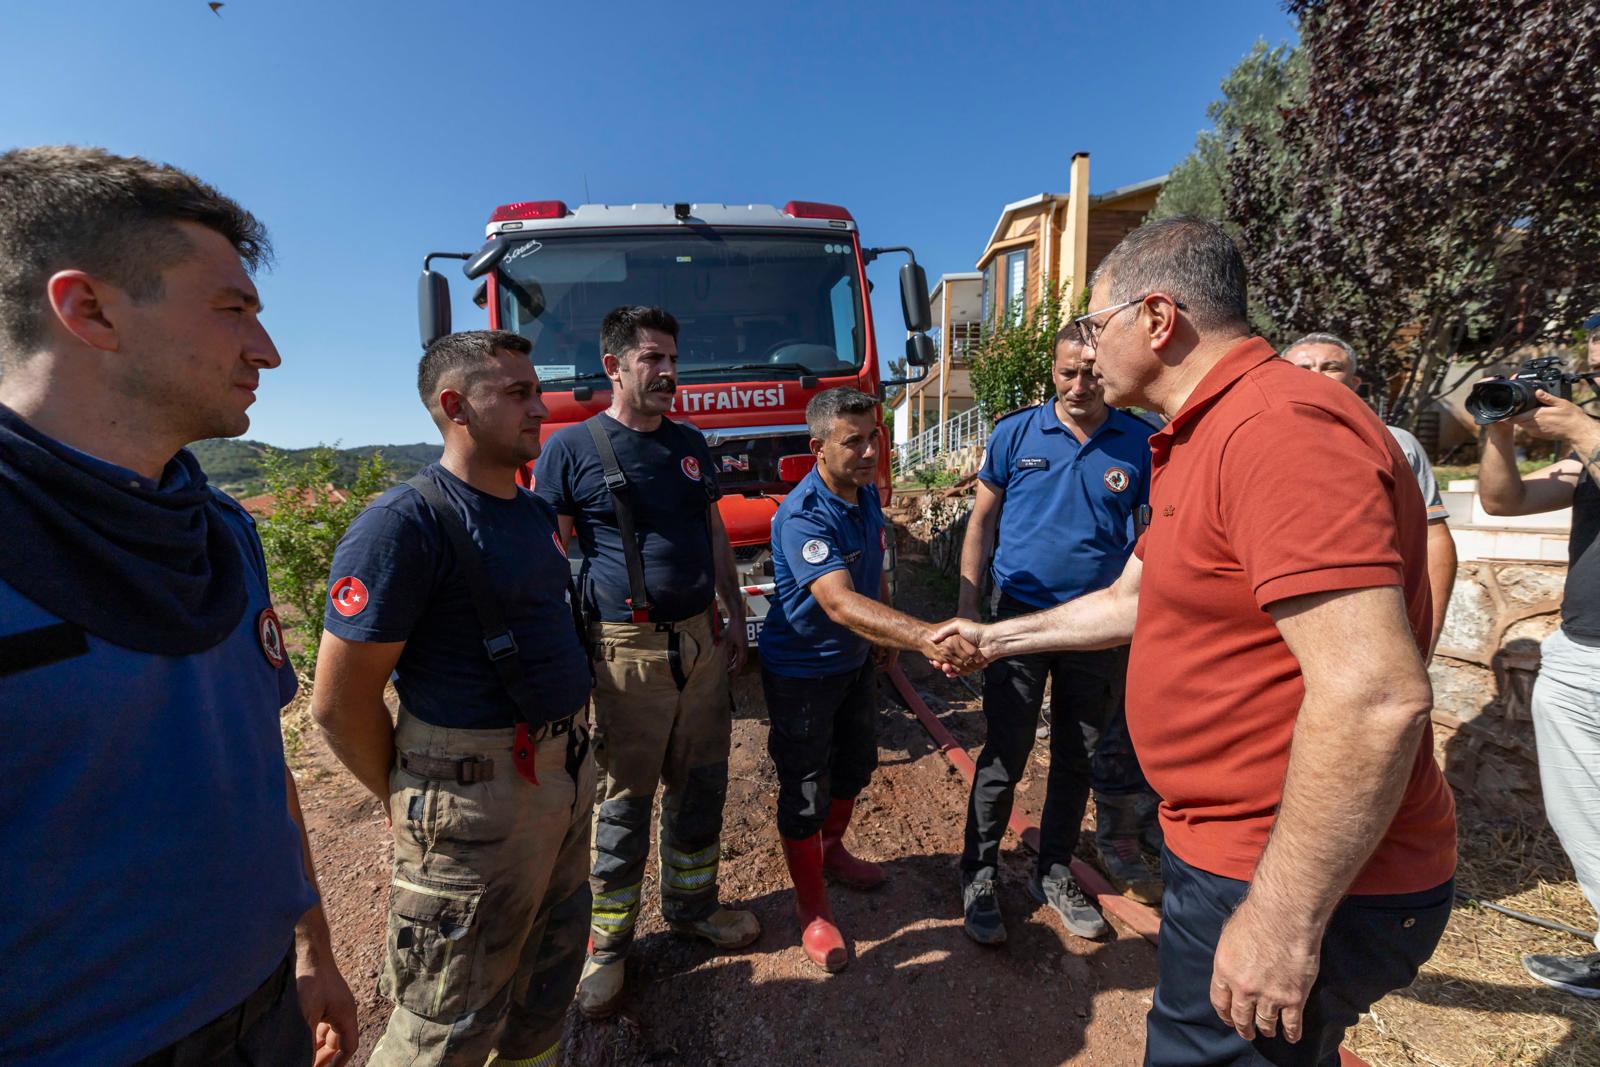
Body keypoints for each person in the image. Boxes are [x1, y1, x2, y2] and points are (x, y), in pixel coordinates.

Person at [935, 216, 1457, 1066]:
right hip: (1235, 855)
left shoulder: (1278, 430)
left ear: (1158, 318)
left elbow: (1376, 695)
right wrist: (995, 636)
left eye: (1098, 325)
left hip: (1286, 873)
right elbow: (1134, 597)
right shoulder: (1203, 435)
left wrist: (1283, 920)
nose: (1089, 350)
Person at [0, 146, 356, 1066]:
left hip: (266, 1012)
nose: (267, 350)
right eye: (234, 309)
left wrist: (312, 943)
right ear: (89, 309)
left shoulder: (221, 530)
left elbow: (255, 757)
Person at [312, 330, 593, 1065]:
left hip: (562, 776)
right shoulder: (402, 524)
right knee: (448, 1020)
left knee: (546, 978)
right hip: (471, 798)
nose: (541, 406)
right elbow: (338, 705)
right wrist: (413, 791)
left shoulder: (532, 515)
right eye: (518, 392)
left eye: (537, 389)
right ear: (454, 405)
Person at [534, 305, 759, 1019]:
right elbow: (547, 555)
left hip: (699, 643)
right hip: (624, 653)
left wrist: (734, 610)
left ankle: (693, 906)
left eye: (671, 359)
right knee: (623, 804)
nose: (668, 372)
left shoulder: (690, 444)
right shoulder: (570, 450)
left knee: (702, 787)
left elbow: (712, 529)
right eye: (652, 359)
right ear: (614, 367)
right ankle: (608, 947)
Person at [759, 387, 981, 972]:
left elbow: (871, 572)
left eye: (873, 438)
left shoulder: (864, 497)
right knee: (804, 789)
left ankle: (831, 852)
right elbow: (836, 601)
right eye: (851, 441)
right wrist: (925, 636)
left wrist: (883, 639)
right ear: (818, 448)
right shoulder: (802, 514)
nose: (867, 452)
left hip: (854, 663)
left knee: (855, 766)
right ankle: (811, 910)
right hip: (802, 672)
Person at [953, 331, 1158, 947]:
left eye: (1092, 375)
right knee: (1005, 751)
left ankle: (1055, 869)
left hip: (1096, 627)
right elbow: (980, 523)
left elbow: (1152, 538)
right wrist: (969, 613)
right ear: (1052, 370)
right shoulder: (1015, 433)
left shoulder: (1139, 443)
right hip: (1018, 618)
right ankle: (979, 873)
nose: (1079, 387)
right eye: (1068, 373)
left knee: (1077, 756)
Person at [1476, 309, 1600, 998]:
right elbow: (1503, 500)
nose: (1593, 377)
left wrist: (1582, 429)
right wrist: (1499, 427)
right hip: (1580, 653)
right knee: (1584, 813)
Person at [1284, 332, 1457, 654]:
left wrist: (1427, 636)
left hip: (1376, 629)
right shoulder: (1259, 443)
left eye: (1331, 367)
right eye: (1304, 368)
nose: (1317, 376)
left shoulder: (1397, 443)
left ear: (1354, 381)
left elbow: (1433, 538)